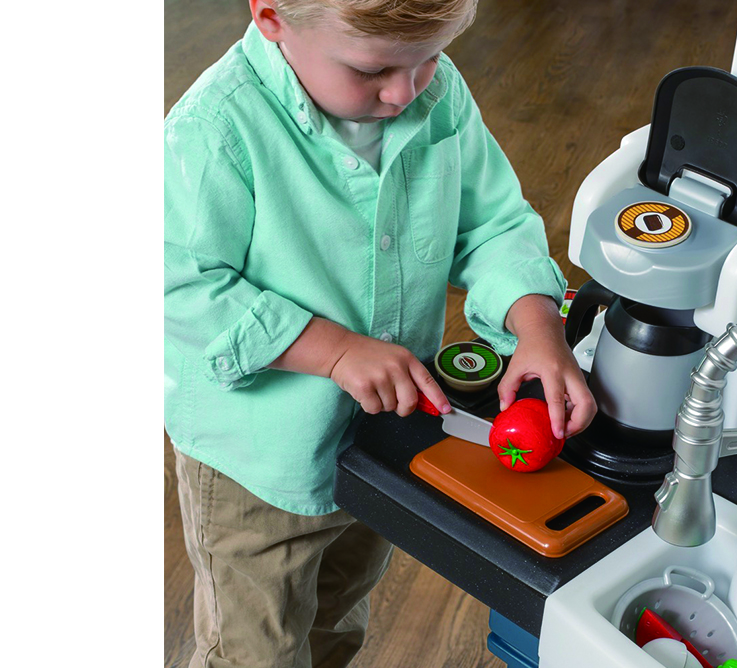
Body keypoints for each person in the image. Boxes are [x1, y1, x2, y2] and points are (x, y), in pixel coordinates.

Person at [164, 0, 597, 665]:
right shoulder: (214, 129)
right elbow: (178, 285)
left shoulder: (436, 93)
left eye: (429, 58)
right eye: (372, 71)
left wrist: (536, 324)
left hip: (377, 447)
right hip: (259, 469)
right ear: (273, 17)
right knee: (256, 651)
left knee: (338, 616)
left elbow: (492, 224)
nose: (404, 92)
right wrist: (334, 350)